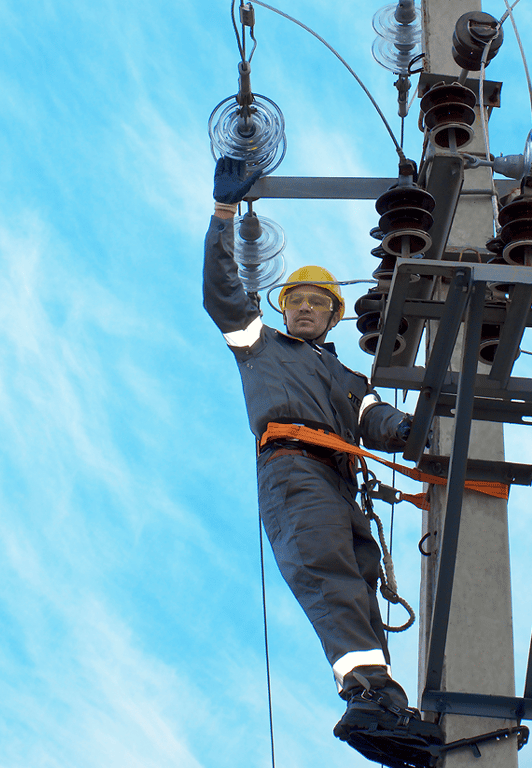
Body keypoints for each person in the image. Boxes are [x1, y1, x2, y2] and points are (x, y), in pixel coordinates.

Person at [203, 156, 444, 766]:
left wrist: (419, 429)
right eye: (296, 301)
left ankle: (383, 698)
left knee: (360, 582)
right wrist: (223, 216)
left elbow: (376, 422)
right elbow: (222, 293)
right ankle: (365, 695)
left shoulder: (344, 375)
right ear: (283, 308)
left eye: (317, 303)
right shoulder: (260, 345)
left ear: (335, 314)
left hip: (339, 482)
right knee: (328, 574)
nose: (304, 308)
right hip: (293, 471)